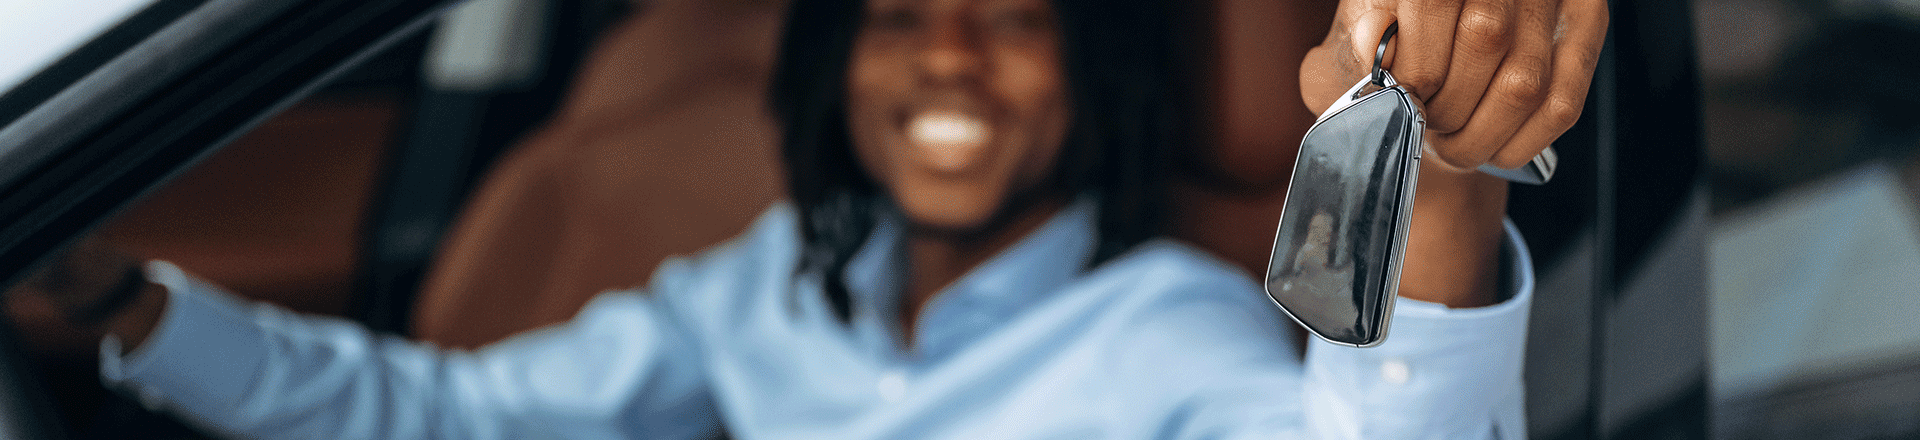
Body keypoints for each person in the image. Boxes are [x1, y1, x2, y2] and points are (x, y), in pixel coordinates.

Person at [11, 0, 1606, 438]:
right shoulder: (770, 292)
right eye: (900, 13)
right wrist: (134, 314)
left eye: (1019, 20)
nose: (953, 58)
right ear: (833, 68)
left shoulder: (1154, 344)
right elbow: (446, 412)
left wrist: (1445, 176)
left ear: (1099, 86)